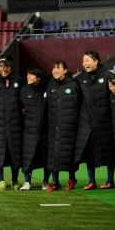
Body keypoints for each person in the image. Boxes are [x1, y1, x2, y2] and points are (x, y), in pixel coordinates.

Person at [75, 51, 115, 190]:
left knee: (108, 152)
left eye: (87, 60)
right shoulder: (80, 79)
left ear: (96, 60)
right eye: (83, 61)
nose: (84, 63)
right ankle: (91, 181)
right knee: (89, 153)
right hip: (86, 123)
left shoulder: (108, 76)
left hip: (105, 121)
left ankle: (110, 180)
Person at [0, 56, 24, 191]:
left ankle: (14, 180)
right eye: (1, 66)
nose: (3, 69)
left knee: (15, 153)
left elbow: (22, 102)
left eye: (6, 66)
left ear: (11, 66)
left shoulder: (19, 80)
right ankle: (1, 180)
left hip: (15, 123)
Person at [45, 61, 80, 192]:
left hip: (69, 126)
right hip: (53, 126)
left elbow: (78, 106)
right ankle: (55, 181)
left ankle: (72, 178)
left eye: (58, 68)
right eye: (53, 68)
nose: (54, 70)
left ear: (65, 70)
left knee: (68, 153)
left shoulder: (73, 84)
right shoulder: (51, 85)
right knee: (54, 154)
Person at [20, 67, 50, 191]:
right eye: (28, 74)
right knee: (28, 157)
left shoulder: (47, 89)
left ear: (39, 77)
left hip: (46, 131)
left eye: (31, 75)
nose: (28, 77)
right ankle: (27, 182)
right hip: (29, 130)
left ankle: (45, 181)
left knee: (46, 157)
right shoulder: (23, 90)